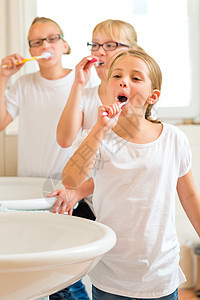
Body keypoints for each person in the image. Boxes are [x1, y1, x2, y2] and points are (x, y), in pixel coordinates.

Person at [62, 49, 200, 300]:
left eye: (136, 78)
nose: (124, 80)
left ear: (153, 96)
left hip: (160, 272)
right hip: (112, 275)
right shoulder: (98, 138)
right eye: (117, 75)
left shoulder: (173, 138)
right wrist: (99, 130)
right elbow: (70, 180)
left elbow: (189, 195)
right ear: (106, 89)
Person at [0, 16, 96, 300]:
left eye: (52, 38)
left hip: (63, 192)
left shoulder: (82, 85)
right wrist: (3, 78)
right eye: (37, 41)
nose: (45, 45)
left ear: (65, 45)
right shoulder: (23, 84)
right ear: (30, 51)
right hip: (28, 194)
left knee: (61, 274)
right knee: (35, 271)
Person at [55, 19, 140, 218]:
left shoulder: (136, 101)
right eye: (95, 45)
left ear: (132, 51)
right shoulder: (85, 95)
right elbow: (65, 139)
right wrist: (78, 84)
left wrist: (79, 191)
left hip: (125, 201)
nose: (99, 52)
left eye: (110, 45)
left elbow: (126, 165)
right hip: (91, 205)